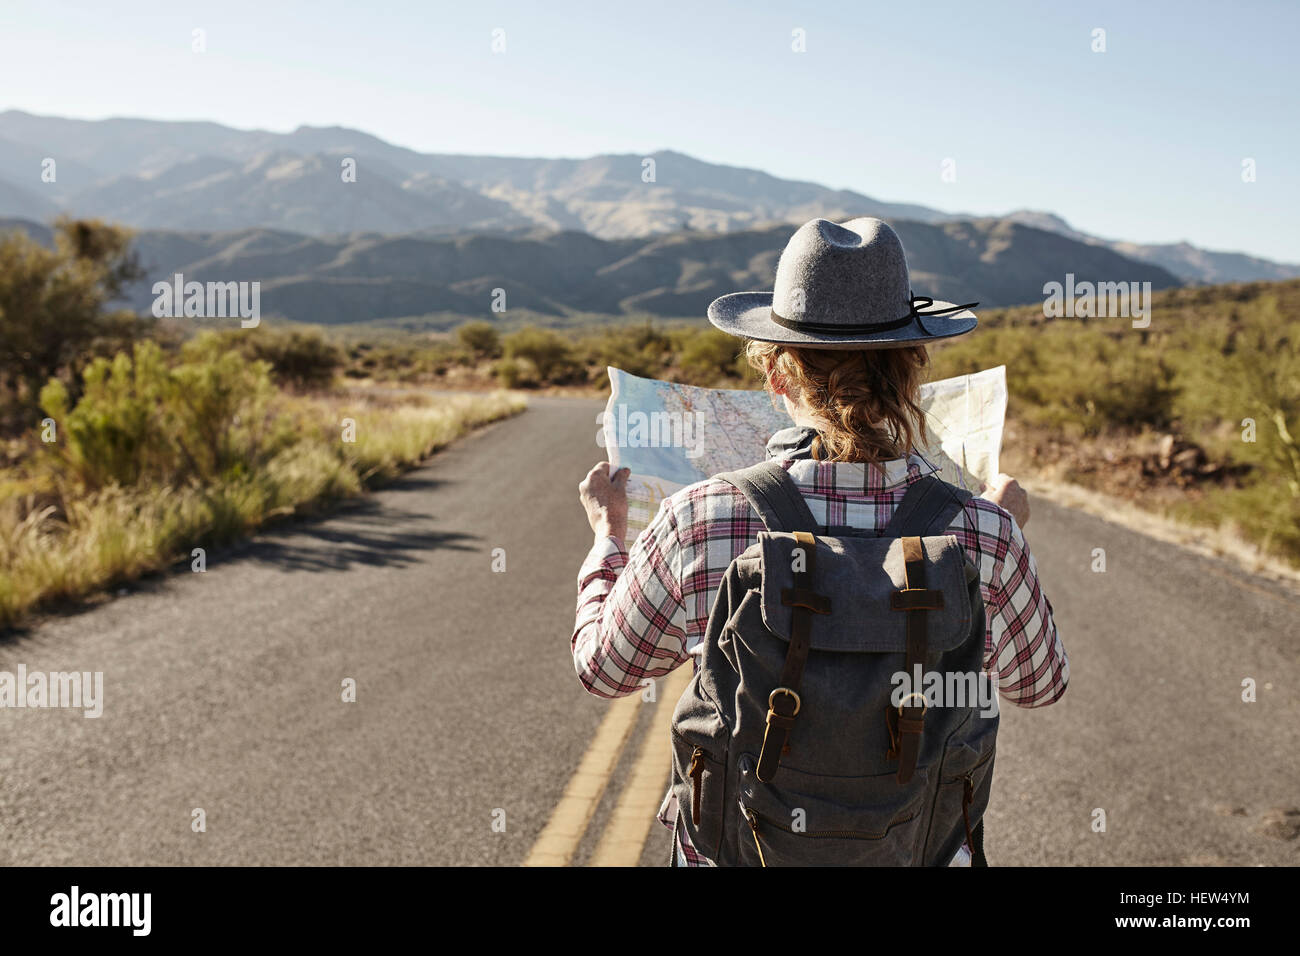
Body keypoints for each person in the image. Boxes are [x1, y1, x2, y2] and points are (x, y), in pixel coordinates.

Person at [572, 217, 1069, 866]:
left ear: (777, 375)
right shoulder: (982, 531)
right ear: (912, 370)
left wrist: (610, 538)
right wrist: (995, 540)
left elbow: (606, 670)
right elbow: (1038, 684)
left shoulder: (700, 515)